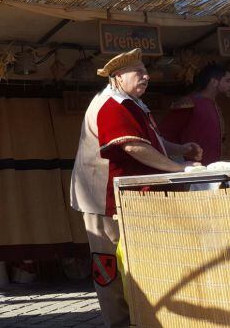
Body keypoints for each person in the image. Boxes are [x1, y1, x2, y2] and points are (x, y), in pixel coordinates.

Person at [70, 48, 202, 327]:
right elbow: (131, 146)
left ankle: (142, 317)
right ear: (117, 77)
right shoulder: (111, 105)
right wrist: (180, 169)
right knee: (109, 266)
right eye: (138, 72)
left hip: (127, 198)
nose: (146, 76)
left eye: (146, 71)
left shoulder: (132, 103)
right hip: (104, 199)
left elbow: (151, 142)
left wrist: (180, 149)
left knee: (132, 260)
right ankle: (119, 322)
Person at [160, 64, 230, 165]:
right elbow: (165, 135)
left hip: (213, 168)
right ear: (214, 81)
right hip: (192, 169)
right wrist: (179, 162)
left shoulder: (214, 104)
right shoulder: (189, 103)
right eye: (227, 80)